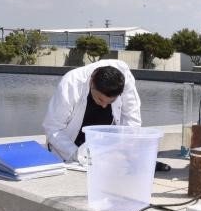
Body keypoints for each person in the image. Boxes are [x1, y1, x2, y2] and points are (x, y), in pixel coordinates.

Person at [42, 59, 170, 172]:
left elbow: (132, 120)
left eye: (110, 102)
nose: (104, 105)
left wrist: (127, 151)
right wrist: (76, 154)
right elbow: (53, 128)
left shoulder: (124, 78)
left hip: (102, 143)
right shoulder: (71, 83)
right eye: (99, 99)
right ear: (92, 82)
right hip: (69, 144)